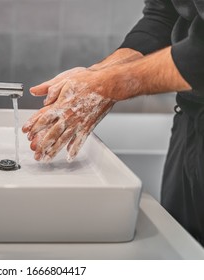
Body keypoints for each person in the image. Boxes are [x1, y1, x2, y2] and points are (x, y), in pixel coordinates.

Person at [22, 0, 204, 246]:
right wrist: (96, 75)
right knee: (182, 247)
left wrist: (106, 85)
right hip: (189, 122)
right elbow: (163, 16)